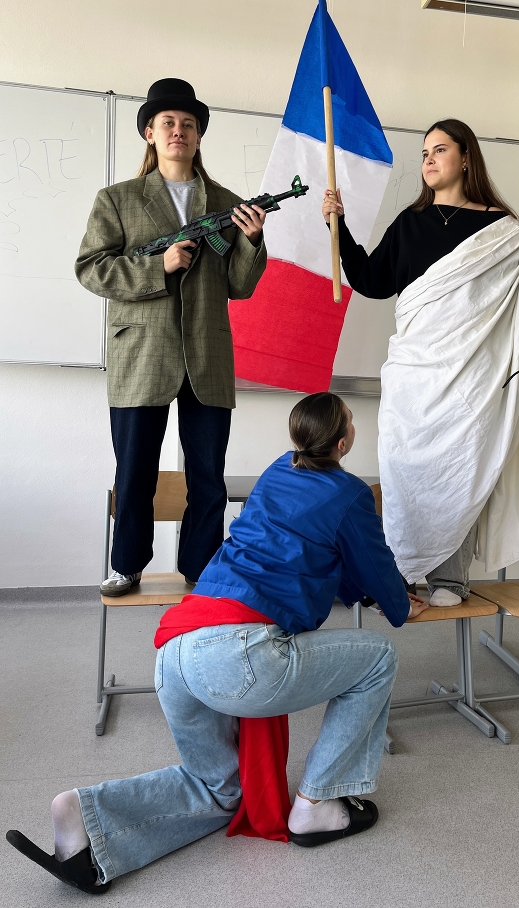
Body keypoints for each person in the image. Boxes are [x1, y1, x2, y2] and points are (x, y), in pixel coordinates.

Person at [6, 392, 428, 894]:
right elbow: (372, 563)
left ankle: (84, 814)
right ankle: (318, 804)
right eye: (353, 420)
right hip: (239, 654)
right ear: (341, 442)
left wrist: (370, 591)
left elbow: (304, 550)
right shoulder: (350, 493)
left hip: (176, 649)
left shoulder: (277, 470)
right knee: (378, 657)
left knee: (221, 789)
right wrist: (398, 603)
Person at [322, 118, 519, 605]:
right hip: (413, 373)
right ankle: (401, 572)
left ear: (466, 157)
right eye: (425, 153)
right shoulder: (410, 221)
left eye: (439, 150)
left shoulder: (503, 230)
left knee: (461, 467)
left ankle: (450, 578)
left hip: (471, 376)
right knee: (404, 469)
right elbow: (371, 280)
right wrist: (338, 227)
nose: (429, 160)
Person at [76, 79, 268, 597]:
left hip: (207, 353)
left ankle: (202, 568)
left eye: (188, 124)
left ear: (199, 135)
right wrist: (156, 266)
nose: (178, 131)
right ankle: (127, 564)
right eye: (168, 123)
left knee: (208, 475)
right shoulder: (117, 199)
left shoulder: (227, 203)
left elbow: (240, 286)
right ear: (150, 133)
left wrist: (252, 241)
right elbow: (91, 269)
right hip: (141, 354)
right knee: (135, 470)